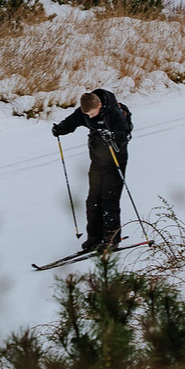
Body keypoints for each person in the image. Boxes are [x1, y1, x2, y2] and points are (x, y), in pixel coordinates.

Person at [51, 89, 132, 251]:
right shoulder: (85, 111)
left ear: (100, 105)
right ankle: (94, 237)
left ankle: (111, 238)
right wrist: (60, 129)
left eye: (93, 113)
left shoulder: (114, 112)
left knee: (109, 200)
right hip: (97, 160)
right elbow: (71, 122)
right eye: (86, 114)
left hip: (115, 160)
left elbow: (126, 133)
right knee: (93, 200)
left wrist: (114, 136)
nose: (90, 117)